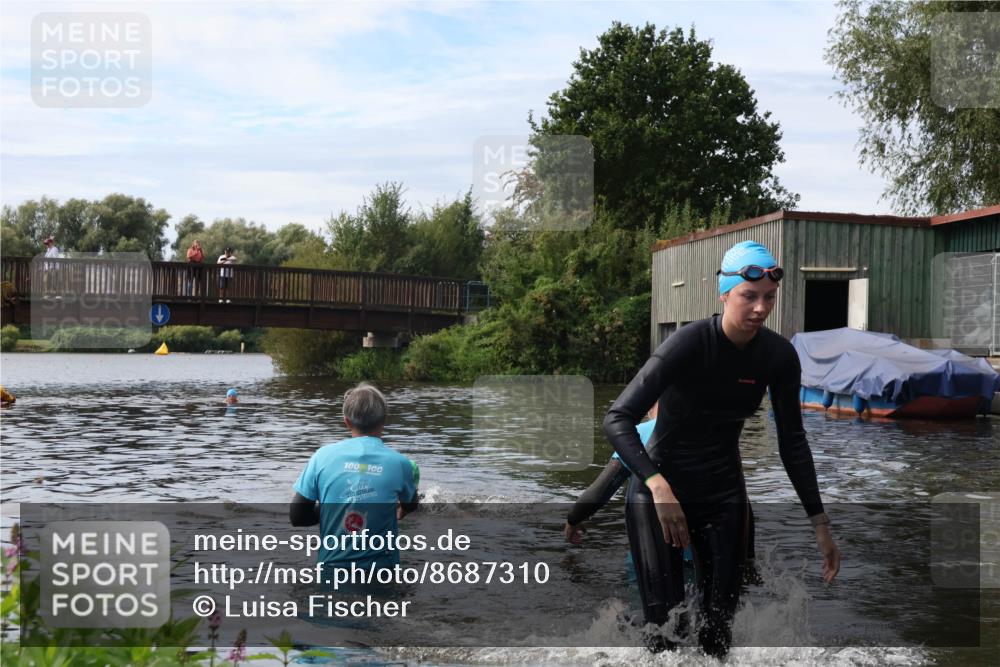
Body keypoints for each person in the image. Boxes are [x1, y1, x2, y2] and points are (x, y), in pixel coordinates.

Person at [603, 240, 840, 659]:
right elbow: (617, 418)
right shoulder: (688, 344)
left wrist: (820, 525)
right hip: (660, 491)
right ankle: (628, 626)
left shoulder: (778, 357)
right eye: (749, 296)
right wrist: (658, 485)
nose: (761, 308)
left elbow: (793, 443)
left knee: (717, 636)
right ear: (725, 294)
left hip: (723, 494)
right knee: (666, 634)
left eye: (769, 297)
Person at [289, 383, 420, 572]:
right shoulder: (401, 464)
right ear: (384, 420)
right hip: (382, 571)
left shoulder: (321, 457)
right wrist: (401, 509)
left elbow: (298, 516)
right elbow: (411, 504)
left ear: (347, 422)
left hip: (331, 569)